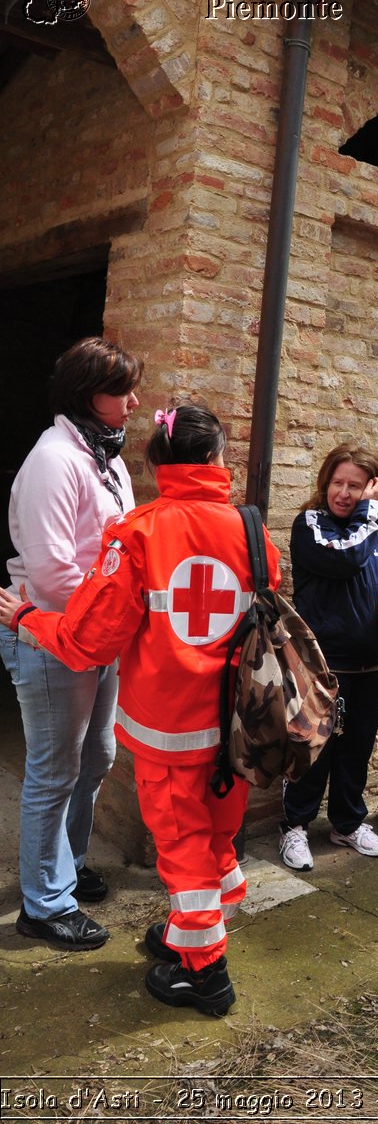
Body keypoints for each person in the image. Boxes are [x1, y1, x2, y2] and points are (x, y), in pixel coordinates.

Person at [0, 405, 281, 1018]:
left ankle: (204, 974)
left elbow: (90, 639)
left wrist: (27, 620)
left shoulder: (138, 534)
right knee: (217, 833)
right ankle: (191, 931)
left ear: (155, 464)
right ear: (217, 458)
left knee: (181, 845)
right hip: (237, 727)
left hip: (170, 729)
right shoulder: (253, 529)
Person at [0, 337, 141, 952]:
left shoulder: (104, 454)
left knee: (97, 757)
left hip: (96, 634)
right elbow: (54, 572)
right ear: (90, 397)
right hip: (56, 638)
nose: (135, 402)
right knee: (54, 772)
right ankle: (44, 904)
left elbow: (120, 544)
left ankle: (66, 865)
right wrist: (117, 607)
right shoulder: (54, 460)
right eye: (122, 391)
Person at [278, 444, 378, 871]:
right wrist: (369, 511)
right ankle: (294, 827)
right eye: (338, 482)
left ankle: (347, 823)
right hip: (324, 664)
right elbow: (344, 558)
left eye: (355, 486)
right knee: (312, 748)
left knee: (356, 747)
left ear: (369, 486)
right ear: (325, 482)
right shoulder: (311, 525)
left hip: (371, 663)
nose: (344, 492)